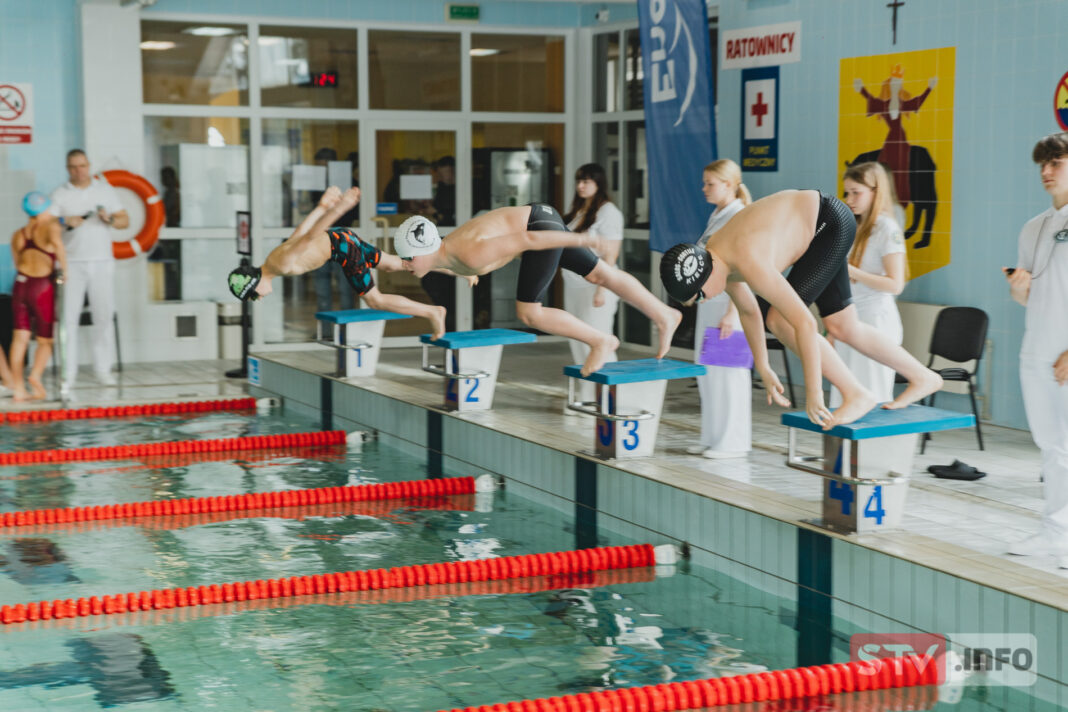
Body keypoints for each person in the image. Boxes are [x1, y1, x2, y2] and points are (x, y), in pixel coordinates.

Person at [659, 189, 942, 429]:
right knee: (844, 325)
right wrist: (764, 366)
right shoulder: (717, 255)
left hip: (826, 225)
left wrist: (814, 393)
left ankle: (855, 393)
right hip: (820, 223)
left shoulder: (748, 261)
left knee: (781, 321)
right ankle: (923, 376)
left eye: (698, 296)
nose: (703, 301)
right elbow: (748, 312)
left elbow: (805, 324)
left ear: (706, 275)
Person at [394, 204, 682, 376]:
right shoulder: (444, 254)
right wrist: (464, 275)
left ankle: (600, 341)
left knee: (529, 313)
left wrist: (583, 240)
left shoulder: (470, 254)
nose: (406, 265)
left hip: (537, 227)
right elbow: (442, 263)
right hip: (538, 216)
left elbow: (531, 239)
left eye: (408, 259)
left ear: (423, 251)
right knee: (600, 275)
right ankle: (664, 313)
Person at [227, 186, 457, 339]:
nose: (258, 299)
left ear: (254, 283)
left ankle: (433, 313)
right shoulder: (272, 261)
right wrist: (322, 207)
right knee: (396, 264)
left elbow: (308, 237)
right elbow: (300, 232)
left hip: (342, 248)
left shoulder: (280, 265)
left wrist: (340, 207)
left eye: (253, 295)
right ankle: (455, 267)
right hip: (341, 239)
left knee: (375, 300)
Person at [1005, 132, 1068, 568]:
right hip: (1036, 350)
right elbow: (1027, 297)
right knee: (1050, 446)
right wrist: (1019, 289)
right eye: (1042, 164)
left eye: (1056, 163)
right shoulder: (1034, 226)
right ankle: (1055, 532)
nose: (1046, 172)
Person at [687, 159, 753, 458]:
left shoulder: (740, 216)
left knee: (729, 377)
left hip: (730, 308)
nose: (703, 189)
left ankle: (733, 441)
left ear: (728, 184)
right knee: (709, 374)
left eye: (709, 183)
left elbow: (746, 269)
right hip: (710, 304)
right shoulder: (718, 214)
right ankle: (712, 436)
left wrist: (732, 313)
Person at [829, 162, 908, 408]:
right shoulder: (855, 226)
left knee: (871, 395)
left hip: (876, 321)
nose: (849, 199)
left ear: (876, 192)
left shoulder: (887, 228)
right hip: (850, 318)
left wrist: (853, 271)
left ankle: (871, 448)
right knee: (844, 395)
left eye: (856, 192)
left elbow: (896, 284)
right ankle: (843, 448)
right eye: (847, 192)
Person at [50, 149, 129, 392]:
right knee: (68, 320)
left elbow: (125, 220)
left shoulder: (104, 190)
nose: (79, 171)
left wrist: (109, 219)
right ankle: (68, 374)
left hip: (102, 262)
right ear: (67, 168)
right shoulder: (60, 194)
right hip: (71, 264)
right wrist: (65, 221)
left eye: (82, 166)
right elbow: (45, 226)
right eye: (73, 167)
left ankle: (103, 371)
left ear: (89, 165)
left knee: (103, 317)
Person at [561, 163, 624, 402]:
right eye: (579, 180)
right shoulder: (578, 211)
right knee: (578, 339)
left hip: (596, 286)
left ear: (599, 184)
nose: (580, 186)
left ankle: (608, 395)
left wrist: (602, 289)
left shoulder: (609, 212)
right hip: (574, 285)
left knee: (597, 340)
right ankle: (587, 394)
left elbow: (611, 255)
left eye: (586, 181)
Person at [9, 192, 66, 401]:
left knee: (20, 339)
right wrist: (65, 273)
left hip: (20, 285)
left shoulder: (18, 235)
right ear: (45, 208)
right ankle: (34, 376)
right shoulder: (51, 227)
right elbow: (59, 250)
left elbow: (17, 263)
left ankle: (18, 388)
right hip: (41, 286)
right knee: (45, 340)